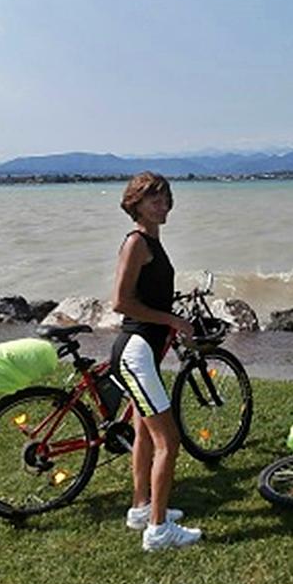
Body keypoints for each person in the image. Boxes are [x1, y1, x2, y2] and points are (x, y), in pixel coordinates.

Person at [110, 172, 201, 551]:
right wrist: (173, 320)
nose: (162, 205)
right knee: (170, 441)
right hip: (135, 351)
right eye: (153, 199)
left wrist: (170, 318)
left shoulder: (152, 241)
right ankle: (159, 531)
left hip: (141, 350)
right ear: (135, 203)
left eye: (165, 198)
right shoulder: (136, 242)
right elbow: (121, 302)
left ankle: (141, 508)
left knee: (145, 434)